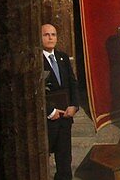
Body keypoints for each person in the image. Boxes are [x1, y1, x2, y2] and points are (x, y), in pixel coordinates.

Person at [42, 23, 79, 180]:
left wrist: (74, 106)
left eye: (53, 34)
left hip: (65, 117)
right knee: (44, 159)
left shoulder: (62, 57)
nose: (51, 38)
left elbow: (73, 84)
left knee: (65, 160)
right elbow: (38, 91)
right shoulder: (36, 60)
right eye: (46, 35)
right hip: (48, 120)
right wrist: (51, 112)